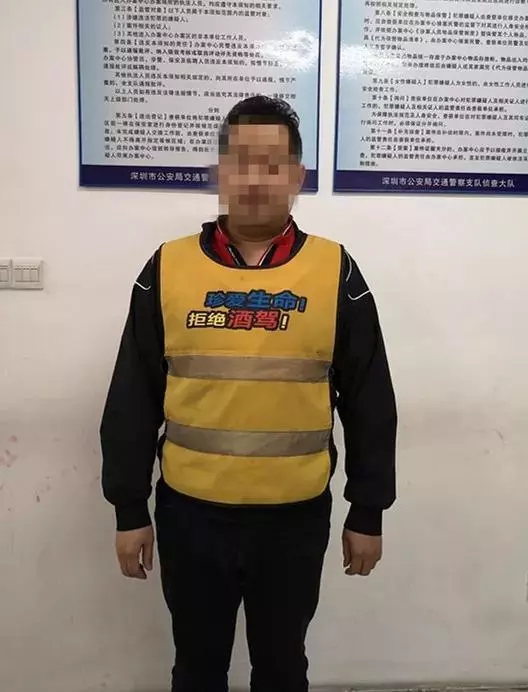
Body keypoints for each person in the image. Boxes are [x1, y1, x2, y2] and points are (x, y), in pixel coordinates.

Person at [100, 95, 397, 692]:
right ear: (219, 172)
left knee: (283, 667)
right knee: (197, 668)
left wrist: (368, 510)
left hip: (294, 520)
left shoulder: (336, 271)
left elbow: (370, 400)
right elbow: (132, 396)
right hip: (191, 516)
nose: (256, 179)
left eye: (272, 164)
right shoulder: (168, 267)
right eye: (240, 162)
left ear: (297, 176)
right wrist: (129, 509)